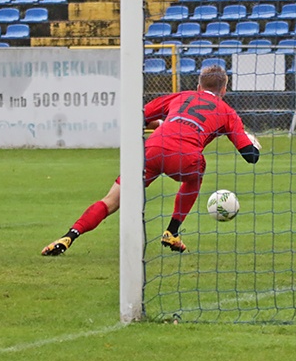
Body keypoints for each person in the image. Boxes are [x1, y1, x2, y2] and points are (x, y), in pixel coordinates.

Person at [41, 64, 260, 256]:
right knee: (198, 171)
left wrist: (161, 126)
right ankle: (172, 231)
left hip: (152, 151)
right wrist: (253, 144)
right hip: (185, 158)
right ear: (224, 89)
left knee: (112, 200)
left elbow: (138, 116)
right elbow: (250, 156)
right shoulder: (227, 112)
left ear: (198, 86)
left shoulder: (180, 97)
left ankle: (69, 236)